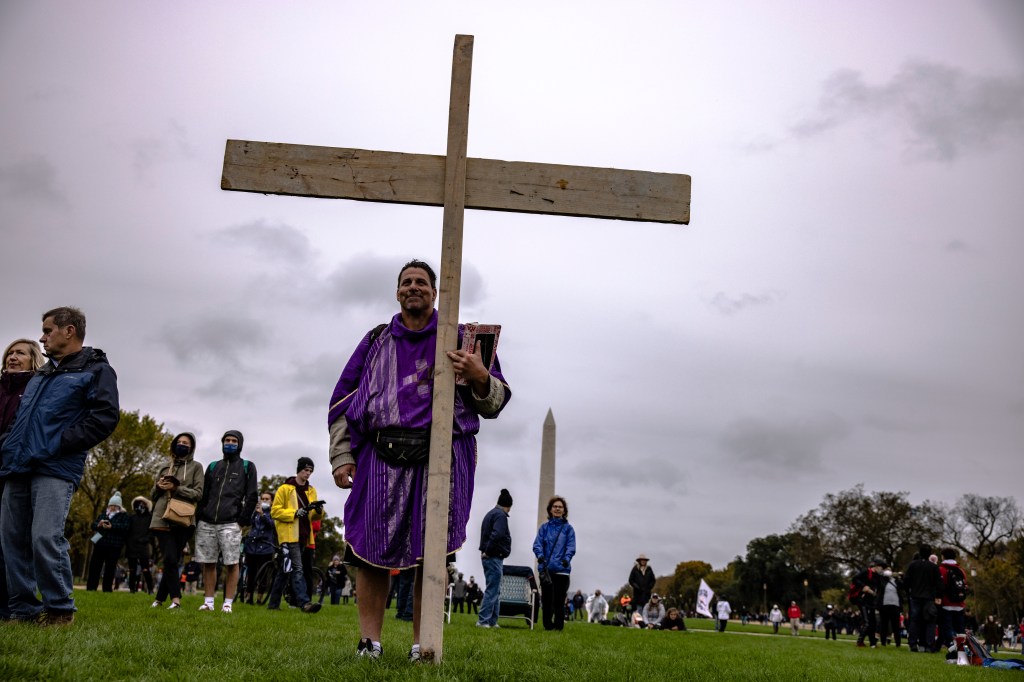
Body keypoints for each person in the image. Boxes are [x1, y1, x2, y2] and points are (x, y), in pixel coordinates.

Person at [327, 259, 512, 661]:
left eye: (422, 283)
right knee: (369, 552)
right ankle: (369, 643)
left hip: (441, 457)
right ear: (397, 292)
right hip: (380, 455)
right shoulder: (376, 340)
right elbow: (343, 400)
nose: (414, 287)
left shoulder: (464, 338)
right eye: (406, 282)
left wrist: (479, 374)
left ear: (434, 292)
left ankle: (422, 644)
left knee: (431, 555)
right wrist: (342, 455)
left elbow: (496, 402)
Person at [0, 308, 120, 625]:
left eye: (47, 330)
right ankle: (22, 609)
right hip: (17, 465)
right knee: (12, 541)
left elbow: (105, 418)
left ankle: (59, 609)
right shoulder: (42, 374)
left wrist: (60, 443)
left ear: (69, 331)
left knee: (44, 537)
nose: (42, 337)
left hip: (55, 467)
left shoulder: (96, 369)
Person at [0, 338, 44, 620]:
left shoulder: (35, 389)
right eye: (10, 353)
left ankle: (15, 605)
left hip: (15, 469)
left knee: (10, 541)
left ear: (33, 360)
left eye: (20, 353)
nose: (13, 357)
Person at [194, 429, 257, 613]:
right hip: (207, 522)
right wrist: (199, 516)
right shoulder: (213, 466)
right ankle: (208, 602)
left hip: (231, 523)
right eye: (227, 440)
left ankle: (227, 603)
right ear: (222, 443)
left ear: (240, 445)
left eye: (234, 441)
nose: (230, 443)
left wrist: (241, 521)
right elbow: (204, 496)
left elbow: (252, 496)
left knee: (232, 563)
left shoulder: (247, 466)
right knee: (209, 562)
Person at [150, 432, 204, 609]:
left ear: (191, 447)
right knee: (170, 559)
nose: (182, 445)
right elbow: (152, 495)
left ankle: (159, 599)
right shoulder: (164, 467)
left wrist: (177, 488)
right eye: (179, 442)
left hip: (182, 519)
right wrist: (159, 487)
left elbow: (198, 494)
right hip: (161, 518)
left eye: (186, 443)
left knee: (170, 559)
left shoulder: (196, 467)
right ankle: (175, 600)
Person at [267, 457, 324, 614]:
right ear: (299, 469)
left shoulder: (311, 490)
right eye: (306, 470)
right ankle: (305, 603)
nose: (308, 473)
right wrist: (295, 513)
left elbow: (314, 517)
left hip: (305, 536)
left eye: (310, 471)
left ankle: (273, 604)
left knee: (285, 570)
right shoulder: (285, 489)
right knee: (298, 569)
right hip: (289, 536)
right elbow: (275, 511)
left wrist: (318, 511)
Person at [533, 495, 576, 632]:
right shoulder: (544, 528)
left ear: (564, 511)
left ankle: (558, 626)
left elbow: (571, 546)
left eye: (560, 507)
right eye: (555, 506)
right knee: (547, 600)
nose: (557, 509)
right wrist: (540, 557)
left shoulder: (568, 529)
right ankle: (547, 625)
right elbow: (537, 544)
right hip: (546, 569)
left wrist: (566, 559)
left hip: (562, 570)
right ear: (550, 510)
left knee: (559, 600)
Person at [478, 489, 514, 629]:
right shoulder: (500, 515)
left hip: (491, 556)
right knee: (492, 590)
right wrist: (488, 551)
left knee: (495, 590)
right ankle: (483, 621)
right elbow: (497, 534)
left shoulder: (491, 513)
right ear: (509, 506)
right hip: (493, 556)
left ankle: (492, 621)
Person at [86, 491, 130, 591]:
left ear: (119, 506)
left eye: (115, 505)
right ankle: (91, 588)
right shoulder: (103, 515)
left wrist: (112, 526)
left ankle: (107, 588)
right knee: (95, 567)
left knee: (110, 568)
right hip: (100, 544)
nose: (112, 507)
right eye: (111, 505)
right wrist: (99, 524)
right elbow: (93, 525)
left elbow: (125, 527)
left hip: (114, 545)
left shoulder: (124, 516)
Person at [903, 544, 942, 653]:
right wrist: (938, 596)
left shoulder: (913, 565)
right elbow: (939, 583)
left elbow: (906, 581)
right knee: (930, 622)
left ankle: (913, 643)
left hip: (915, 596)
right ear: (930, 554)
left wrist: (908, 591)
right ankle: (929, 645)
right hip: (929, 597)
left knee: (915, 621)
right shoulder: (934, 567)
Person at [242, 491, 277, 604]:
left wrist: (262, 515)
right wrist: (254, 512)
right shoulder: (256, 512)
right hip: (252, 545)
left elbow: (272, 525)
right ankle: (249, 596)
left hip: (266, 546)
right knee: (251, 572)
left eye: (267, 499)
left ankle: (260, 597)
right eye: (262, 498)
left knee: (262, 574)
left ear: (272, 501)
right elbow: (250, 523)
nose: (264, 501)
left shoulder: (274, 512)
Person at [938, 548, 969, 649]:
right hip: (959, 604)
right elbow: (965, 586)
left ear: (943, 556)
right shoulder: (960, 570)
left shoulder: (942, 569)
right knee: (960, 628)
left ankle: (951, 647)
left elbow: (939, 586)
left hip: (946, 603)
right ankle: (962, 647)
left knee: (947, 627)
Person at [850, 558, 884, 648]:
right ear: (876, 566)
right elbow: (854, 579)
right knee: (867, 622)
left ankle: (873, 643)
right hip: (863, 600)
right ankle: (859, 641)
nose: (882, 569)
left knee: (873, 622)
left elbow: (879, 588)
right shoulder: (866, 572)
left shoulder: (878, 577)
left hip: (871, 601)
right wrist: (863, 586)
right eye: (881, 567)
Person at [125, 496, 155, 594]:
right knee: (132, 569)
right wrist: (128, 542)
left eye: (142, 503)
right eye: (138, 503)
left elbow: (152, 531)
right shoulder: (131, 517)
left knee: (145, 569)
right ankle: (132, 589)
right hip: (132, 546)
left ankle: (150, 588)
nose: (140, 505)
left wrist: (145, 539)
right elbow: (127, 531)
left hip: (143, 546)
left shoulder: (150, 517)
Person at [876, 565, 903, 646]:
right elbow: (878, 580)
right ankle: (883, 642)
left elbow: (903, 585)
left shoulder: (896, 580)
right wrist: (883, 575)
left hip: (895, 605)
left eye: (889, 570)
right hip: (884, 605)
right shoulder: (882, 580)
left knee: (895, 626)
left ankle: (898, 643)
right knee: (883, 625)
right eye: (886, 570)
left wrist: (900, 577)